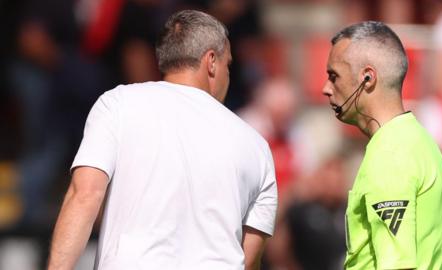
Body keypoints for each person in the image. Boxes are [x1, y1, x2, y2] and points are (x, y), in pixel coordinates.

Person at [47, 10, 277, 270]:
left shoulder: (117, 105)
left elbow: (84, 196)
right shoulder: (256, 145)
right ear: (211, 61)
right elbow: (249, 258)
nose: (228, 75)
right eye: (228, 64)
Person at [322, 21, 442, 269]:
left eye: (333, 76)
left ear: (368, 78)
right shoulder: (421, 141)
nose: (325, 89)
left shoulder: (391, 155)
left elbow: (396, 265)